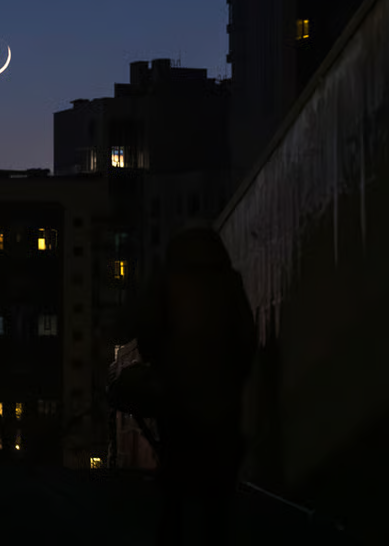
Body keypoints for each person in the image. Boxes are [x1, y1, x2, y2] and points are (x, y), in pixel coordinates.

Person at [137, 226, 258, 545]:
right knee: (217, 488)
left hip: (177, 396)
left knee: (176, 481)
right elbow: (247, 338)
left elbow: (148, 335)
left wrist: (161, 367)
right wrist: (233, 377)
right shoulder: (229, 282)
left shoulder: (166, 281)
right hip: (222, 398)